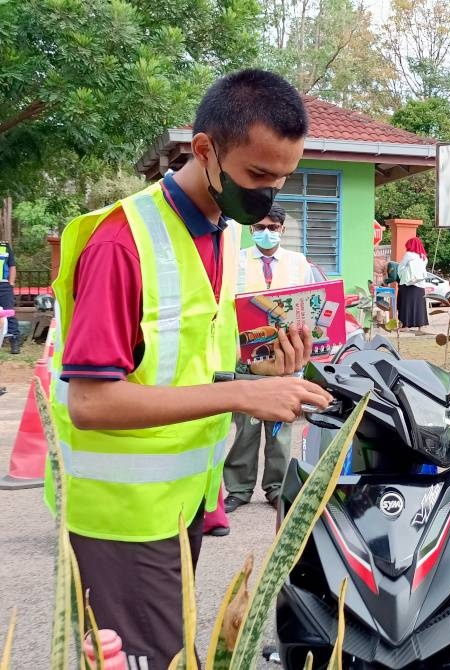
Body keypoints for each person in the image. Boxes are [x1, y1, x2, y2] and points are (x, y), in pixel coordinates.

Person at [47, 69, 332, 670]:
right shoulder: (120, 244)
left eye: (284, 176)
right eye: (258, 175)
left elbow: (186, 367)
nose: (270, 193)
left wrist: (262, 376)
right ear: (205, 150)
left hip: (182, 504)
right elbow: (92, 404)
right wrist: (240, 401)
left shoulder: (221, 233)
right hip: (123, 518)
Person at [222, 204, 313, 515]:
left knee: (280, 428)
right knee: (245, 428)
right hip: (246, 355)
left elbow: (309, 303)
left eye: (272, 228)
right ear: (251, 230)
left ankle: (276, 488)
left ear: (282, 230)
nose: (266, 233)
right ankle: (238, 488)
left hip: (285, 356)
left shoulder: (298, 262)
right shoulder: (236, 260)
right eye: (260, 227)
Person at [397, 236, 429, 333]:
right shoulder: (424, 257)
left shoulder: (408, 254)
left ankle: (405, 325)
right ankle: (421, 326)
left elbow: (401, 267)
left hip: (408, 283)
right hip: (420, 284)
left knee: (406, 304)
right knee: (420, 305)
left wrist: (401, 274)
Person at [0, 238, 19, 354]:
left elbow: (12, 265)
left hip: (4, 285)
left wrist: (11, 283)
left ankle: (14, 340)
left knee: (9, 313)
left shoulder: (4, 246)